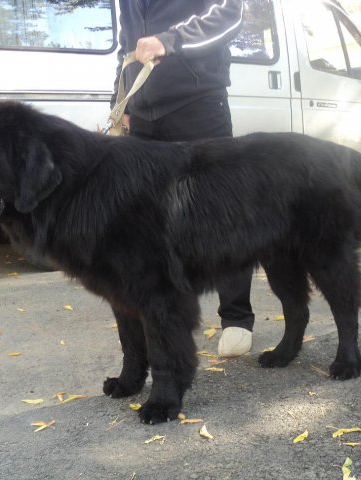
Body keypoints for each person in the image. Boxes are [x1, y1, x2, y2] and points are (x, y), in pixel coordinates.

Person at [112, 0, 254, 357]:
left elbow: (231, 13)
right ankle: (165, 319)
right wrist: (123, 101)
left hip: (199, 106)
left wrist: (169, 40)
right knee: (149, 228)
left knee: (222, 215)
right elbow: (125, 46)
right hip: (143, 117)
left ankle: (236, 317)